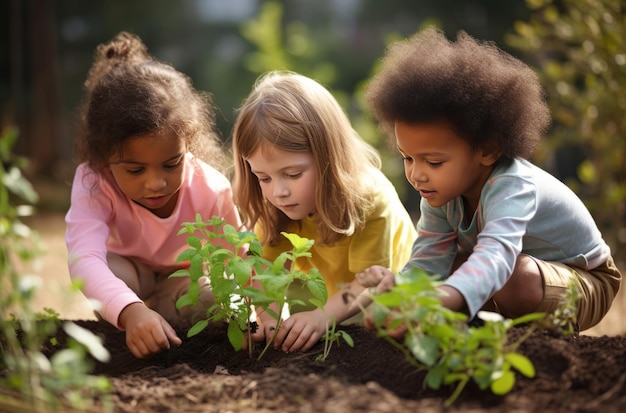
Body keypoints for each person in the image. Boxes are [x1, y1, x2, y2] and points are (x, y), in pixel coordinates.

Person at [357, 27, 621, 334]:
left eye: (434, 161)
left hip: (586, 282)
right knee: (455, 267)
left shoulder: (513, 185)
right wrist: (399, 291)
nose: (417, 174)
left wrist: (443, 297)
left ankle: (531, 339)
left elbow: (496, 256)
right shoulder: (439, 192)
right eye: (408, 158)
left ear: (487, 150)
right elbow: (428, 263)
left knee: (507, 277)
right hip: (523, 274)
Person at [65, 32, 242, 358]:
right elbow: (83, 258)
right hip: (128, 275)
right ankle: (136, 317)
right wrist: (131, 310)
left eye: (171, 164)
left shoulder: (211, 187)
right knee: (109, 272)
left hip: (183, 279)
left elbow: (240, 256)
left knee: (214, 301)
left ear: (187, 144)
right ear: (104, 156)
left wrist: (254, 314)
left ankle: (161, 320)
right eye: (135, 170)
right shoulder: (95, 181)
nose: (156, 183)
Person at [231, 71, 417, 352]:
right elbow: (264, 275)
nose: (278, 192)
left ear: (328, 157)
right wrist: (265, 320)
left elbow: (369, 283)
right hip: (331, 296)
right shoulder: (276, 206)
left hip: (387, 297)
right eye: (264, 178)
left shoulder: (369, 199)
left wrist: (322, 317)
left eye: (293, 174)